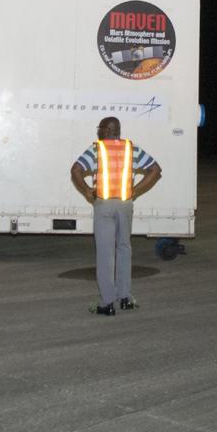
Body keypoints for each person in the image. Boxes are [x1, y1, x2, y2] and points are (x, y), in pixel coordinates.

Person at [69, 116, 162, 315]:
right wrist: (135, 191)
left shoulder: (97, 149)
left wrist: (86, 191)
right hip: (125, 204)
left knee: (105, 254)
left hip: (104, 206)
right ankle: (125, 298)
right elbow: (155, 170)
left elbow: (75, 170)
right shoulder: (131, 148)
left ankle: (106, 303)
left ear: (106, 129)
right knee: (124, 248)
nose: (98, 131)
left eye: (100, 127)